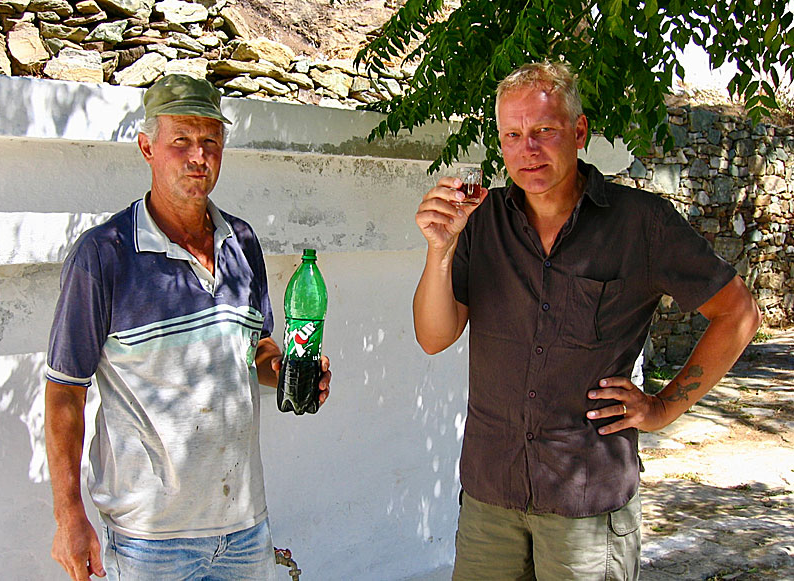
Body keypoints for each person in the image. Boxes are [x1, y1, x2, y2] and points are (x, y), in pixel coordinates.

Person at [412, 61, 761, 580]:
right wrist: (440, 250)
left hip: (586, 502)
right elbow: (434, 337)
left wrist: (664, 407)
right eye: (512, 135)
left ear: (579, 132)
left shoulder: (641, 223)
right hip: (491, 495)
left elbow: (738, 313)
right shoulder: (480, 222)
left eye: (543, 132)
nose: (527, 150)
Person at [44, 74, 331, 581]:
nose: (199, 155)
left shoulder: (241, 241)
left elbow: (256, 348)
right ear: (146, 147)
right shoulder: (104, 254)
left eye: (210, 141)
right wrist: (69, 515)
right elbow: (65, 390)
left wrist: (287, 369)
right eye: (181, 141)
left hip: (245, 526)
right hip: (148, 538)